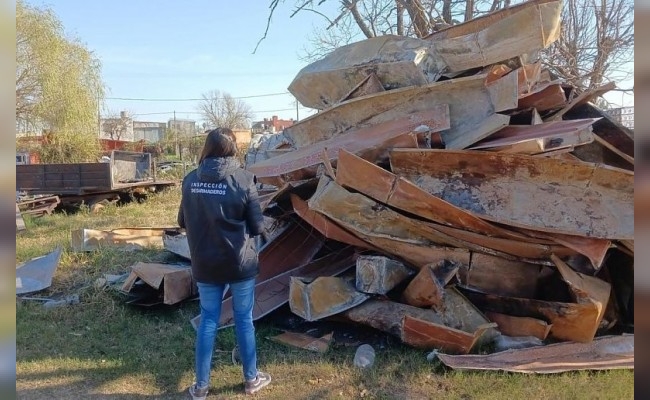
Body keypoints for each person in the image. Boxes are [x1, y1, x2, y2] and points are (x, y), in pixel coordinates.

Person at [178, 127, 271, 399]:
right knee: (244, 320)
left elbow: (182, 221)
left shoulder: (190, 180)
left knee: (208, 320)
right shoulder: (244, 180)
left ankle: (201, 387)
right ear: (233, 149)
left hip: (205, 264)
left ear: (207, 149)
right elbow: (256, 226)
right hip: (239, 264)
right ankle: (251, 380)